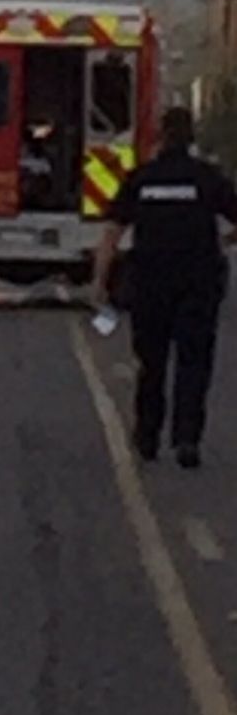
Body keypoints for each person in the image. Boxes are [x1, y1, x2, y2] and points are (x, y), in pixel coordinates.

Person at [93, 106, 237, 468]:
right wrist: (224, 242)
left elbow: (113, 232)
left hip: (150, 283)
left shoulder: (142, 178)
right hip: (198, 283)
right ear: (190, 137)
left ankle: (147, 437)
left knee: (151, 363)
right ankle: (187, 439)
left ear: (162, 135)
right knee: (193, 362)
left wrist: (100, 280)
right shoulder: (208, 178)